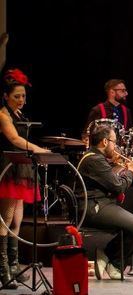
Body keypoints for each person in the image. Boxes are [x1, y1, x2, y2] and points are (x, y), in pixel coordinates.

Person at [0, 69, 49, 289]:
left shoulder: (20, 115)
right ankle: (3, 270)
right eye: (16, 96)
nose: (21, 100)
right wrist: (39, 150)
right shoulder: (2, 114)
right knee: (6, 218)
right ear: (6, 96)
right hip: (8, 169)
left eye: (23, 96)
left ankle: (13, 265)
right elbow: (13, 138)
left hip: (21, 170)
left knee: (18, 221)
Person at [77, 125, 133, 280]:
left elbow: (113, 182)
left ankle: (107, 258)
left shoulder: (96, 157)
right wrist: (130, 171)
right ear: (105, 142)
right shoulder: (94, 160)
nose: (116, 146)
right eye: (114, 142)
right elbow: (118, 187)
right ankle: (112, 261)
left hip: (99, 203)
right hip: (93, 207)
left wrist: (127, 172)